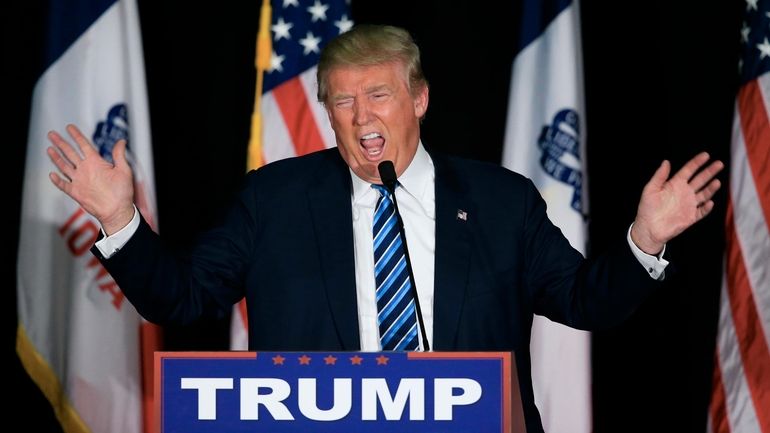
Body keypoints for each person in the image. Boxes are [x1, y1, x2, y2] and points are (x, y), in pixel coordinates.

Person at [45, 24, 723, 432]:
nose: (361, 115)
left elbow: (582, 299)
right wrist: (118, 219)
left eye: (379, 94)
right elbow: (182, 298)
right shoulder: (273, 200)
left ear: (419, 99)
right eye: (342, 99)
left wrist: (644, 239)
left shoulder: (499, 201)